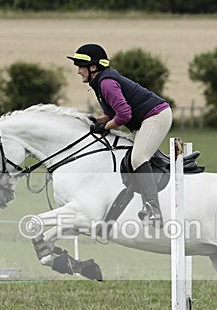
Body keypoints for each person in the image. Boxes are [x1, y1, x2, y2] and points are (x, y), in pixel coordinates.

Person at [67, 43, 172, 228]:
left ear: (93, 67)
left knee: (138, 158)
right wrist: (99, 121)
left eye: (80, 66)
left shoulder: (106, 83)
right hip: (149, 116)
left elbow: (124, 115)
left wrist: (106, 126)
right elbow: (115, 113)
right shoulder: (100, 83)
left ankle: (153, 210)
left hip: (156, 116)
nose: (78, 71)